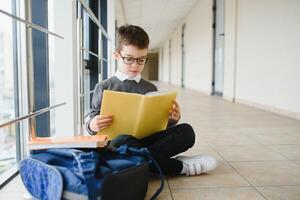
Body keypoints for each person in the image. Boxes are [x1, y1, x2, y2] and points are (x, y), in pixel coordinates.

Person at [86, 24, 217, 176]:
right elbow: (91, 122)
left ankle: (141, 162)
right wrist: (92, 124)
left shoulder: (150, 88)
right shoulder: (103, 87)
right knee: (124, 141)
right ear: (116, 56)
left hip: (145, 142)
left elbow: (159, 126)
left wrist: (172, 119)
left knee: (186, 132)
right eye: (128, 59)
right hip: (118, 145)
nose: (135, 65)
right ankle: (180, 167)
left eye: (141, 59)